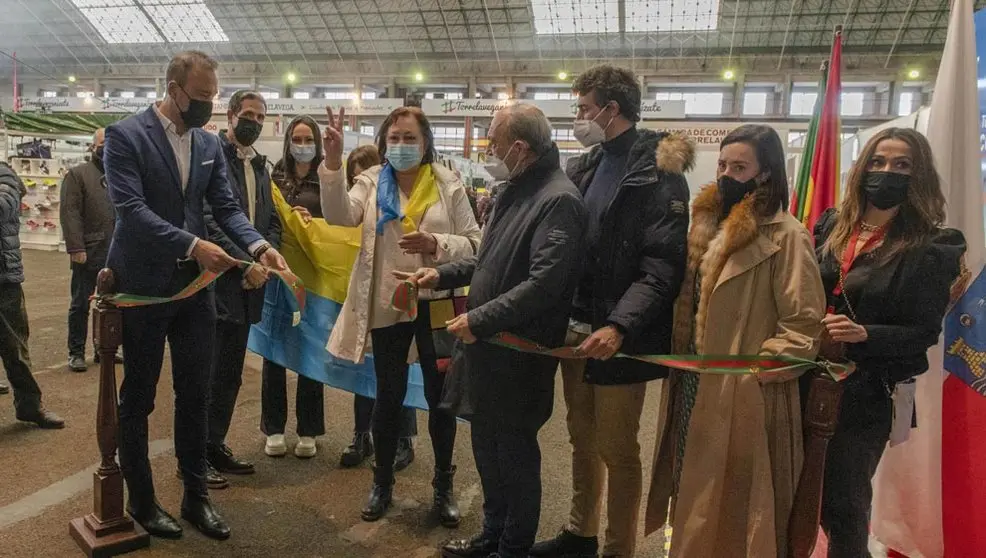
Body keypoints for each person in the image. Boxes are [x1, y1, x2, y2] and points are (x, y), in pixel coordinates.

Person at [104, 51, 288, 542]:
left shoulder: (206, 144)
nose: (208, 105)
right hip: (143, 286)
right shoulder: (126, 136)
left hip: (195, 291)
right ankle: (143, 499)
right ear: (173, 88)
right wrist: (192, 244)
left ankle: (196, 496)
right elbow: (130, 210)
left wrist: (260, 247)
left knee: (195, 393)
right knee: (139, 396)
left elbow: (225, 207)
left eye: (213, 96)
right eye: (201, 96)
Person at [531, 65, 691, 558]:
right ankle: (581, 532)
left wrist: (620, 326)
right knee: (581, 438)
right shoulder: (585, 166)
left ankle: (618, 549)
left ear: (611, 109)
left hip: (620, 336)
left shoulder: (658, 173)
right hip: (577, 326)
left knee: (618, 449)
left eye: (584, 108)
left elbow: (662, 266)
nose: (578, 117)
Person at [644, 124, 825, 557]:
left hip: (746, 393)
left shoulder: (786, 235)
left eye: (739, 167)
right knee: (691, 489)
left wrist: (757, 371)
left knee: (738, 507)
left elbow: (804, 323)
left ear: (766, 174)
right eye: (723, 165)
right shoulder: (705, 227)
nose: (726, 174)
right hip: (693, 383)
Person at [426, 103, 588, 558]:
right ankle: (491, 535)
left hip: (518, 357)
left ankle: (513, 547)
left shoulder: (558, 200)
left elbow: (545, 284)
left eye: (493, 142)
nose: (489, 150)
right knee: (487, 450)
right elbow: (487, 261)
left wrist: (479, 319)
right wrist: (439, 275)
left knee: (515, 458)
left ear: (519, 147)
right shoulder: (512, 191)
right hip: (486, 351)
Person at [319, 105, 481, 526]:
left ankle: (443, 486)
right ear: (383, 142)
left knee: (440, 399)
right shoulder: (372, 182)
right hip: (390, 302)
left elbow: (474, 242)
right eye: (395, 138)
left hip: (437, 303)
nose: (402, 145)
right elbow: (339, 215)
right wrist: (333, 164)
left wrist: (436, 243)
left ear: (425, 143)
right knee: (388, 396)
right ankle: (382, 483)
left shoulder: (449, 183)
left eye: (410, 138)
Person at [814, 128, 965, 557]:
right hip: (811, 377)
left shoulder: (933, 245)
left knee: (845, 503)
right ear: (863, 167)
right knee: (807, 493)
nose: (886, 172)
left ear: (919, 175)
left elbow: (923, 333)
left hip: (869, 390)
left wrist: (866, 334)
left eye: (901, 165)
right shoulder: (831, 226)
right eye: (878, 162)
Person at [204, 90, 281, 484]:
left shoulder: (260, 167)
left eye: (261, 117)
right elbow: (210, 219)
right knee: (206, 373)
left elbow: (272, 221)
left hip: (250, 285)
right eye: (248, 114)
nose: (254, 122)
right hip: (216, 282)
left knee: (230, 374)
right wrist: (242, 263)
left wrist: (265, 259)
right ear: (231, 115)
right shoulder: (213, 157)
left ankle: (215, 444)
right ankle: (196, 454)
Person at [339, 144, 419, 471]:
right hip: (363, 293)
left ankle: (404, 438)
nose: (358, 184)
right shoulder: (356, 201)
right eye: (352, 179)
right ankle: (362, 434)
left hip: (396, 293)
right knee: (365, 371)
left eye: (363, 176)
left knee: (397, 373)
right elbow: (339, 216)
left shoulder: (403, 195)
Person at [261, 115, 327, 459]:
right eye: (297, 139)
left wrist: (313, 223)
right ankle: (273, 427)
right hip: (278, 275)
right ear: (288, 142)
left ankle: (308, 430)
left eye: (308, 139)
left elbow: (341, 222)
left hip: (313, 278)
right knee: (274, 351)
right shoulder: (275, 177)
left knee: (310, 352)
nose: (302, 146)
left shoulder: (327, 179)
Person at [0, 161, 64, 429]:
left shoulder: (5, 174)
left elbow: (4, 206)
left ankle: (29, 405)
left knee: (15, 347)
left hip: (4, 279)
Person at [60, 128, 119, 372]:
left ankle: (104, 348)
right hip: (88, 252)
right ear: (93, 146)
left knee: (111, 306)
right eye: (103, 142)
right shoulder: (78, 175)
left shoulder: (120, 174)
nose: (108, 147)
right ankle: (76, 352)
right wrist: (76, 247)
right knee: (80, 305)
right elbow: (70, 213)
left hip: (115, 252)